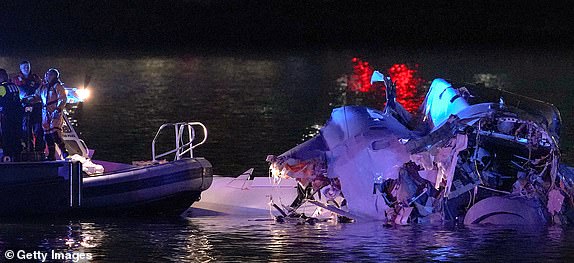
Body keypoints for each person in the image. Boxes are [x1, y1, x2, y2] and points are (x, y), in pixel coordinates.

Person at [36, 68, 68, 160]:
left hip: (54, 112)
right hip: (45, 112)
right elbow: (36, 96)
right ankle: (51, 155)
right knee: (47, 134)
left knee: (55, 132)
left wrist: (58, 109)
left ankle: (64, 152)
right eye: (47, 74)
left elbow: (62, 98)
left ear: (55, 76)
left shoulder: (57, 86)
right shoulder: (43, 87)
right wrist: (27, 100)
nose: (47, 76)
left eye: (50, 75)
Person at [13, 60, 45, 153]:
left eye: (27, 67)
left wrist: (33, 98)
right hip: (23, 107)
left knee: (38, 129)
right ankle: (28, 149)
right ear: (20, 68)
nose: (26, 69)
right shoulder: (15, 80)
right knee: (26, 129)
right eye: (24, 67)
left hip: (36, 107)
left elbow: (41, 90)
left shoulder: (36, 78)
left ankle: (40, 150)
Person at [0, 68, 24, 161]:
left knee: (7, 135)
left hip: (7, 115)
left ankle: (7, 155)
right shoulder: (14, 86)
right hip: (17, 114)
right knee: (17, 135)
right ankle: (17, 155)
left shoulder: (2, 88)